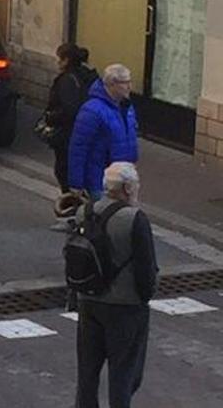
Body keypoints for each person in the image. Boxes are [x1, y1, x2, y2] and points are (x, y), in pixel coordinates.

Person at [75, 162, 157, 408]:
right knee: (123, 373)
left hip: (89, 300)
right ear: (129, 188)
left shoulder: (85, 212)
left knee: (87, 372)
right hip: (125, 305)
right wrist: (144, 298)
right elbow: (146, 267)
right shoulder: (134, 219)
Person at [68, 64, 139, 201]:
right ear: (112, 84)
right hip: (100, 181)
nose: (130, 87)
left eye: (130, 82)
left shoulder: (127, 107)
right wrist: (76, 183)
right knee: (104, 218)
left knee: (124, 218)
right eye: (125, 83)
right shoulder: (92, 110)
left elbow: (130, 137)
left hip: (125, 179)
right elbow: (78, 148)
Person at [45, 44, 99, 193]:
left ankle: (72, 206)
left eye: (59, 59)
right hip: (89, 131)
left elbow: (70, 110)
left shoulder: (67, 80)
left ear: (66, 60)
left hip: (68, 134)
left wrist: (51, 117)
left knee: (65, 172)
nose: (57, 63)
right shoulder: (89, 77)